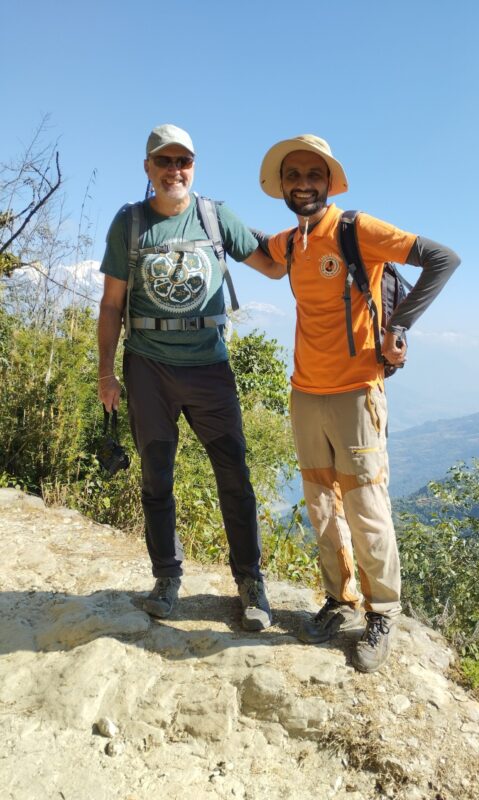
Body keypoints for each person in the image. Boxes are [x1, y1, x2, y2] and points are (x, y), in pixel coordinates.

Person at [256, 134, 460, 672]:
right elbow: (260, 252)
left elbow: (442, 258)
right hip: (305, 392)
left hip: (356, 392)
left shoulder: (355, 230)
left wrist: (399, 325)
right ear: (282, 186)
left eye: (313, 175)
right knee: (322, 507)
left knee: (366, 508)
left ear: (328, 181)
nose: (303, 184)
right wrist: (208, 220)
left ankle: (382, 613)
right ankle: (339, 599)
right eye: (293, 175)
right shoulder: (292, 242)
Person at [98, 124, 284, 630]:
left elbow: (272, 267)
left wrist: (313, 234)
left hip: (209, 367)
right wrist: (107, 373)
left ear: (194, 166)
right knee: (156, 478)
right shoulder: (130, 223)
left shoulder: (215, 216)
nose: (174, 170)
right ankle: (166, 577)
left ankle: (250, 583)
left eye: (183, 161)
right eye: (164, 161)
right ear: (148, 168)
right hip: (149, 369)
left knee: (235, 477)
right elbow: (112, 303)